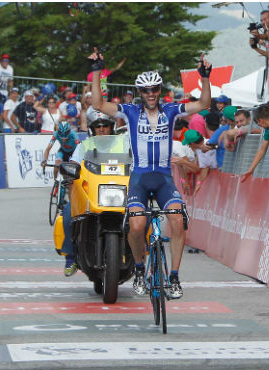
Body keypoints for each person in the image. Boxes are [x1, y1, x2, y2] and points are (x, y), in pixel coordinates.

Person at [88, 46, 212, 299]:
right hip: (140, 178)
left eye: (155, 89)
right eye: (146, 90)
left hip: (164, 178)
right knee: (137, 226)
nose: (151, 94)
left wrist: (205, 77)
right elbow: (98, 103)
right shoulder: (130, 112)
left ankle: (174, 278)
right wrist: (97, 71)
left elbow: (204, 103)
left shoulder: (171, 110)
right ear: (140, 92)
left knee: (177, 222)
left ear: (159, 90)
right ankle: (139, 268)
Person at [55, 112, 116, 277]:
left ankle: (141, 260)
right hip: (90, 193)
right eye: (98, 126)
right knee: (68, 213)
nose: (102, 129)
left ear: (112, 127)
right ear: (93, 129)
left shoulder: (123, 145)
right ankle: (71, 257)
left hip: (119, 193)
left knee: (142, 213)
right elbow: (74, 163)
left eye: (105, 125)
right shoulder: (84, 145)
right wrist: (70, 172)